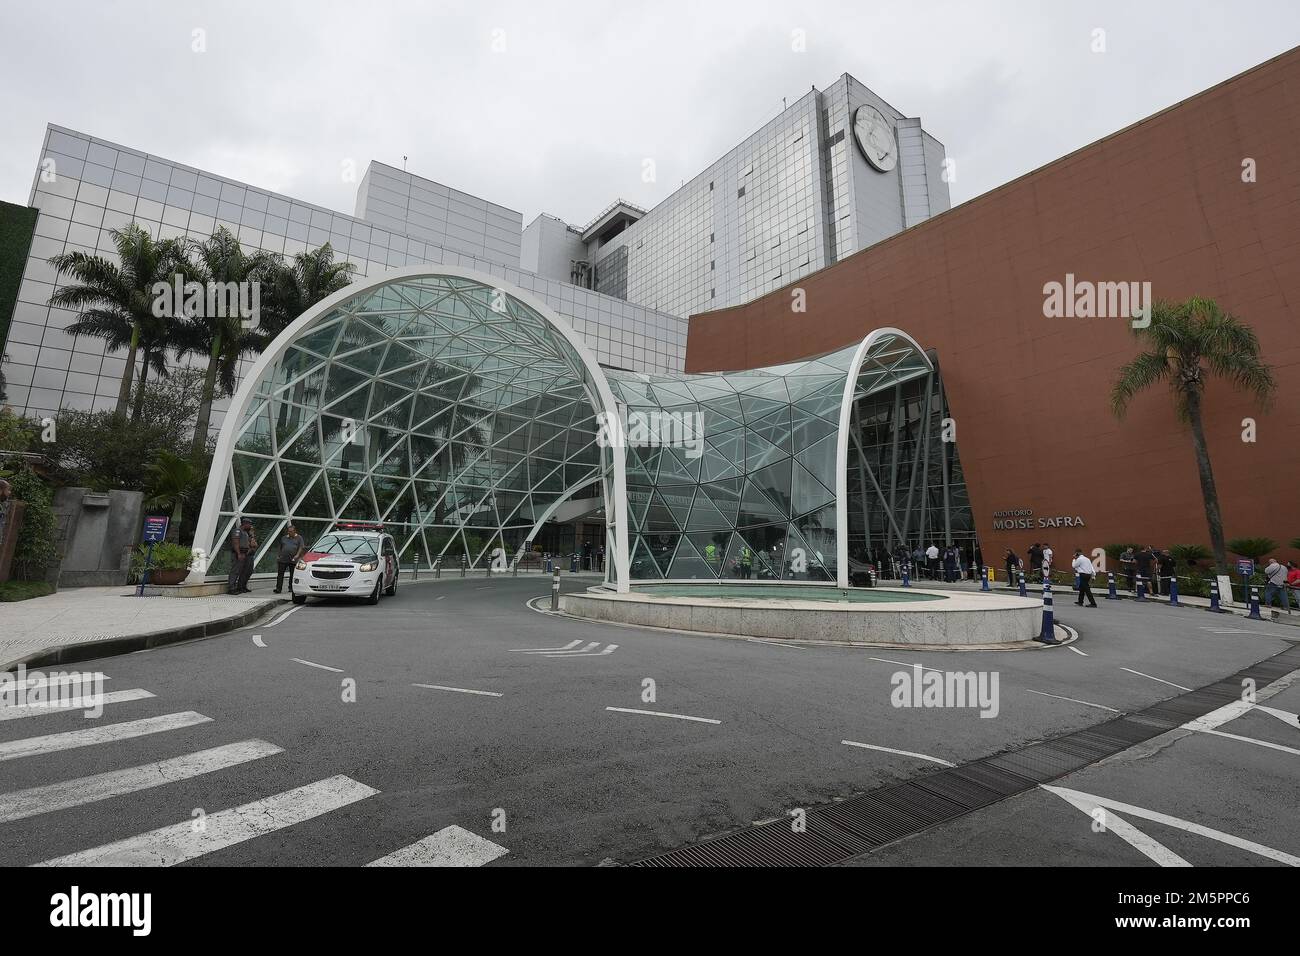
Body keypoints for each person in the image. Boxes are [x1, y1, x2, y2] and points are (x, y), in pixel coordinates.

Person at [274, 524, 305, 593]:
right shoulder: (284, 538)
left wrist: (297, 555)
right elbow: (280, 547)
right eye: (288, 531)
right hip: (283, 558)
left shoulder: (299, 538)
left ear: (294, 531)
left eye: (290, 531)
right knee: (280, 574)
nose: (289, 533)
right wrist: (278, 555)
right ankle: (278, 588)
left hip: (293, 559)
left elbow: (301, 547)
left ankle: (291, 588)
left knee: (292, 574)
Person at [227, 518, 252, 595]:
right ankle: (231, 588)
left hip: (244, 554)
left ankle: (239, 587)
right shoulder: (237, 531)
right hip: (238, 553)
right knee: (235, 570)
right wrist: (238, 553)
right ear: (245, 524)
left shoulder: (245, 532)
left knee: (242, 571)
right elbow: (236, 542)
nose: (250, 526)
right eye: (249, 524)